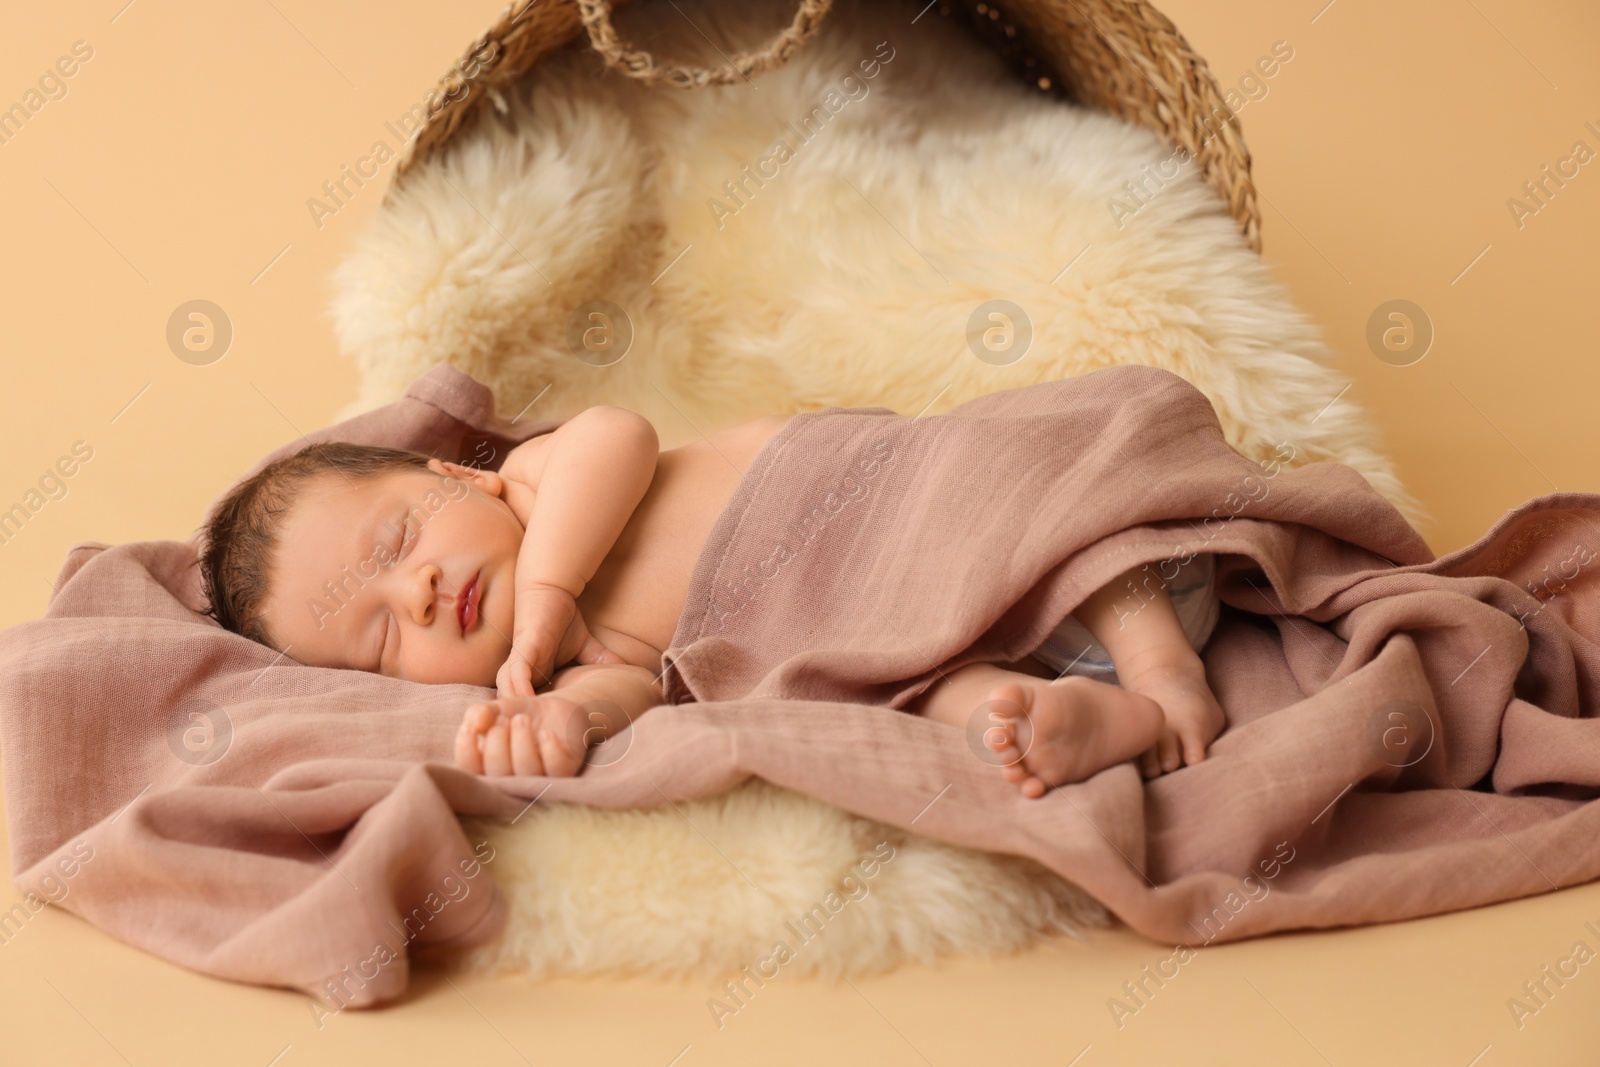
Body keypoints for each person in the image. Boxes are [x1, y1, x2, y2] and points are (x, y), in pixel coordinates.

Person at [199, 405, 1224, 797]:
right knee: (907, 697)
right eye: (381, 636)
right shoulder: (569, 662)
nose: (415, 591)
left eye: (396, 540)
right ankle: (1079, 717)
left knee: (1015, 488)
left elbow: (622, 433)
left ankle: (1160, 659)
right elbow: (634, 701)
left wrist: (551, 589)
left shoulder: (533, 476)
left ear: (455, 477)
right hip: (931, 632)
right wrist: (563, 714)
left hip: (911, 502)